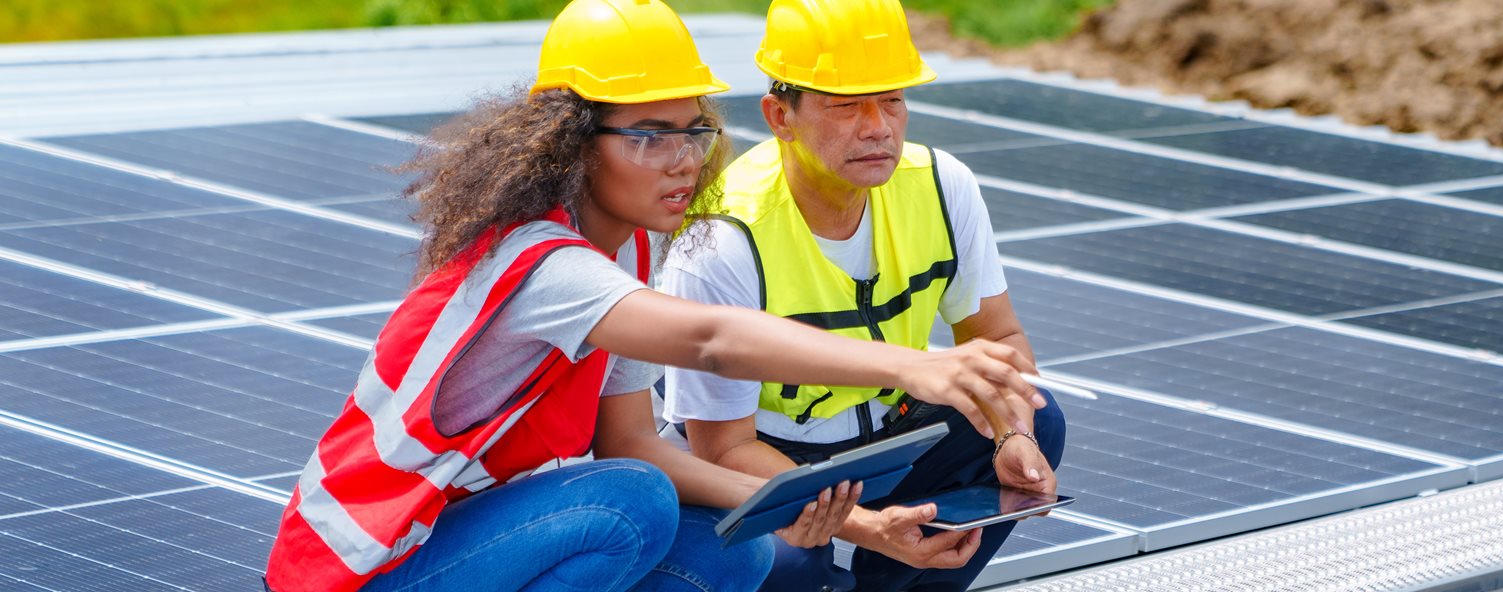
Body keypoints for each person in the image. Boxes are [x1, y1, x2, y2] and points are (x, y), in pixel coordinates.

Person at [261, 1, 1043, 590]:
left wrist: (862, 525)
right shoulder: (538, 262)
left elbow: (632, 441)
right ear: (572, 144)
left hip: (468, 540)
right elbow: (710, 341)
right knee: (628, 504)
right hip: (365, 563)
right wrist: (914, 367)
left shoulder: (628, 247)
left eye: (691, 131)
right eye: (646, 135)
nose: (682, 161)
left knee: (729, 549)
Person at [657, 0, 1066, 589]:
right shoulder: (722, 238)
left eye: (892, 100)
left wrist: (1014, 434)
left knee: (1038, 417)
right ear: (779, 116)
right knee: (789, 563)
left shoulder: (941, 186)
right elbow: (724, 448)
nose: (878, 127)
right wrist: (870, 527)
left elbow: (997, 338)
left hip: (889, 438)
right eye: (846, 105)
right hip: (766, 452)